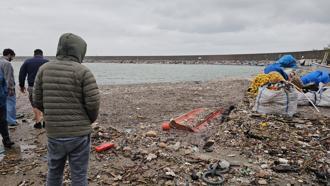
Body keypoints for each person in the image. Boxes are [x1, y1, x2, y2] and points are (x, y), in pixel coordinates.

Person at [33, 33, 100, 186]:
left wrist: (51, 114)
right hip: (79, 134)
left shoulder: (44, 69)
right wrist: (88, 120)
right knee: (79, 175)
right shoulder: (84, 72)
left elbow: (37, 100)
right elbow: (93, 103)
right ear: (80, 51)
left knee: (54, 171)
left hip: (54, 132)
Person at [19, 49, 48, 129]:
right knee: (45, 103)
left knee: (35, 104)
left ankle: (38, 123)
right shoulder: (47, 62)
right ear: (42, 54)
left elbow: (22, 74)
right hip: (45, 86)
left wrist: (22, 86)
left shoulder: (27, 62)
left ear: (34, 54)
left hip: (32, 86)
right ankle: (45, 122)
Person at [0, 49, 15, 148]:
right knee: (3, 118)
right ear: (9, 55)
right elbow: (8, 77)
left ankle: (6, 139)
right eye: (13, 56)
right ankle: (12, 121)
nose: (13, 58)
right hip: (2, 94)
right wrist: (10, 88)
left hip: (2, 93)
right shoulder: (7, 64)